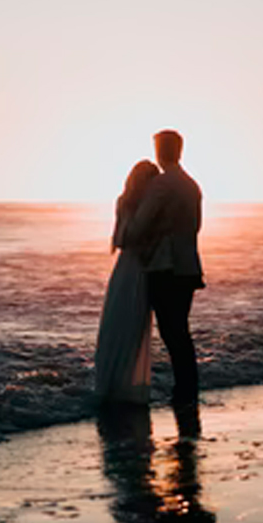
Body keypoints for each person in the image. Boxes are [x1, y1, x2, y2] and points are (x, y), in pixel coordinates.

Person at [126, 129, 204, 407]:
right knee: (180, 330)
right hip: (189, 266)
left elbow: (141, 223)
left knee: (172, 332)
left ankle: (184, 391)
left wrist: (127, 235)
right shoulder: (191, 184)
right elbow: (196, 226)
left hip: (166, 267)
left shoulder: (162, 185)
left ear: (161, 151)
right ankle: (187, 388)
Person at [94, 159, 159, 403]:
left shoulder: (128, 202)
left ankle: (115, 383)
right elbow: (123, 238)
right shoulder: (138, 205)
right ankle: (121, 385)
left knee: (121, 323)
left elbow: (119, 240)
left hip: (126, 267)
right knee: (128, 324)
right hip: (137, 268)